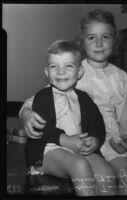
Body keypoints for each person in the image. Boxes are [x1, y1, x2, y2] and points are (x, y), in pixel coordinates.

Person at [20, 9, 127, 195]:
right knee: (119, 169)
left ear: (114, 39)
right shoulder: (71, 70)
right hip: (78, 140)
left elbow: (125, 117)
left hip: (107, 135)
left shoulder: (121, 77)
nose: (99, 43)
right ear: (82, 41)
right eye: (91, 37)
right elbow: (38, 101)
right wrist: (26, 113)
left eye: (105, 36)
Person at [20, 40, 117, 196]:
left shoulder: (85, 98)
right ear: (47, 72)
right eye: (54, 66)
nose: (60, 72)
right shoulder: (43, 96)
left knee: (107, 171)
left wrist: (95, 140)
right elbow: (37, 123)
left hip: (77, 148)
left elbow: (97, 124)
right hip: (45, 152)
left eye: (68, 66)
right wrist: (64, 139)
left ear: (79, 72)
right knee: (80, 166)